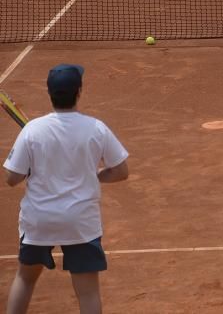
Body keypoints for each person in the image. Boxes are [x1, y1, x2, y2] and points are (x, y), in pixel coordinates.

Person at [4, 64, 130, 314]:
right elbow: (121, 171)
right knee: (88, 292)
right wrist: (94, 176)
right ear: (79, 91)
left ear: (48, 92)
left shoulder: (32, 130)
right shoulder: (96, 128)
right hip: (80, 222)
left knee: (25, 279)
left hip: (40, 220)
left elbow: (11, 177)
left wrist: (32, 169)